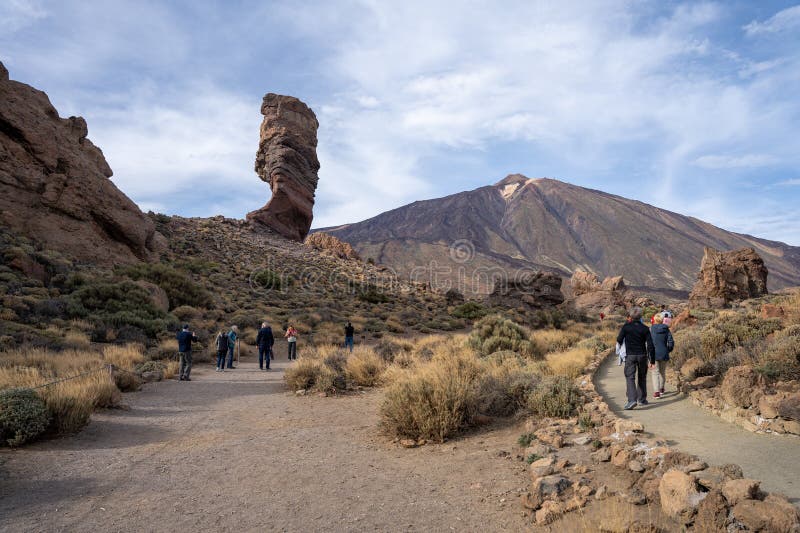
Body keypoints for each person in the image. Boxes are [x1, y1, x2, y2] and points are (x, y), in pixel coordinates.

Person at [616, 307, 654, 410]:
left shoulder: (626, 327)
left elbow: (619, 339)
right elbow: (650, 345)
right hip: (642, 355)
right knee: (642, 377)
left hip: (630, 356)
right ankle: (641, 399)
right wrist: (652, 360)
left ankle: (632, 400)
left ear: (631, 316)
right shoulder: (645, 328)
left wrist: (622, 345)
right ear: (640, 316)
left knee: (630, 377)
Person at [649, 313, 674, 398]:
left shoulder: (651, 329)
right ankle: (661, 389)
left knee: (655, 373)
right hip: (664, 353)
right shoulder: (666, 329)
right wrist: (668, 350)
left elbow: (649, 343)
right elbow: (671, 342)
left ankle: (656, 392)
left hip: (654, 353)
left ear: (655, 320)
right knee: (662, 372)